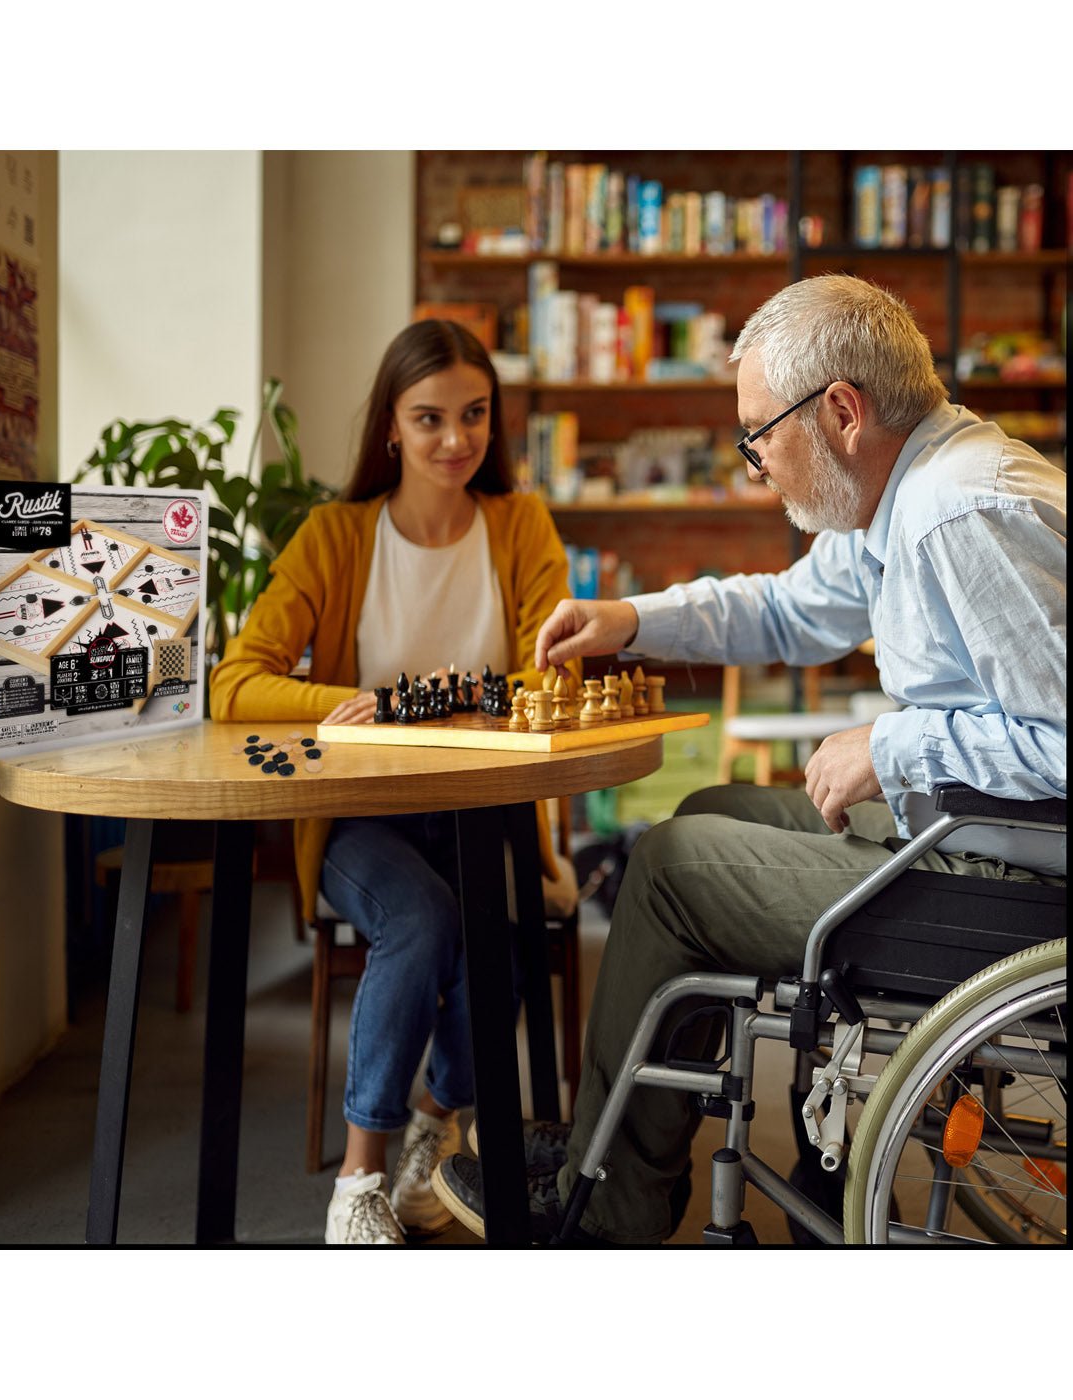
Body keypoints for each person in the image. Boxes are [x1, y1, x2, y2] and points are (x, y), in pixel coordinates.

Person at [431, 273, 1067, 1245]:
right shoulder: (903, 488)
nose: (755, 460)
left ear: (841, 411)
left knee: (667, 869)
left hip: (1004, 879)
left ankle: (612, 1204)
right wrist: (630, 620)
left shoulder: (954, 511)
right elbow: (786, 607)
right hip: (965, 825)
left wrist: (889, 742)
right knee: (702, 814)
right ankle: (614, 1135)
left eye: (758, 432)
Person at [209, 319, 576, 1245]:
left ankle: (435, 1128)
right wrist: (357, 701)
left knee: (497, 920)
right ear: (390, 428)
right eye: (429, 419)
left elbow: (556, 677)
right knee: (420, 918)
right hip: (359, 819)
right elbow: (234, 679)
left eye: (475, 416)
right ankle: (359, 1180)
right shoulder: (335, 536)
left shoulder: (520, 525)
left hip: (481, 812)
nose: (456, 440)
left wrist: (441, 704)